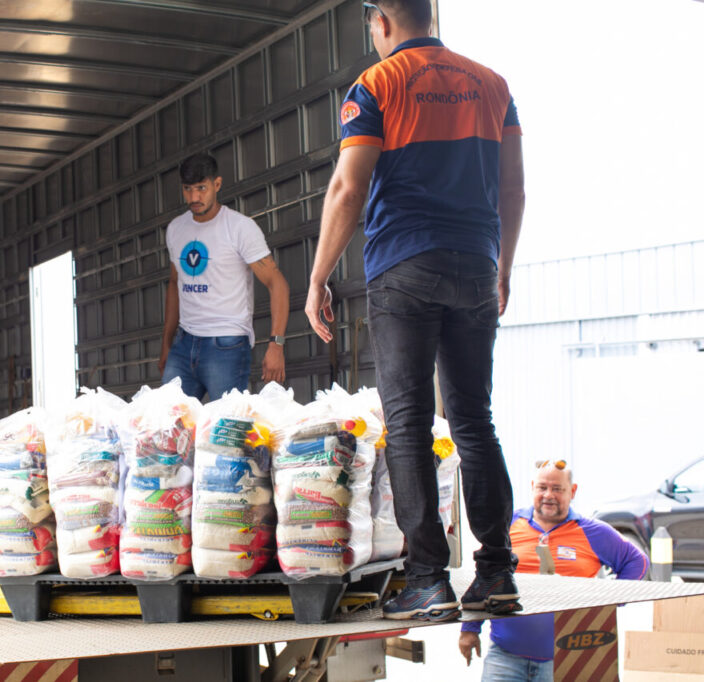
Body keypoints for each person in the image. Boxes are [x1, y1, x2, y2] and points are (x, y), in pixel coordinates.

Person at [304, 0, 526, 622]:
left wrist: (318, 277)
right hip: (476, 264)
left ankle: (428, 580)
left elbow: (349, 187)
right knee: (474, 420)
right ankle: (497, 571)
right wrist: (502, 266)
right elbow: (513, 188)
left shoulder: (377, 84)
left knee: (407, 423)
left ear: (381, 21)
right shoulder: (494, 85)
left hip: (405, 266)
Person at [459, 460, 649, 680]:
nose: (548, 495)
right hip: (505, 657)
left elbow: (637, 561)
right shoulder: (507, 525)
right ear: (533, 487)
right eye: (542, 487)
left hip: (568, 658)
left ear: (572, 491)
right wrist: (470, 628)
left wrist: (610, 600)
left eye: (557, 489)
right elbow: (485, 576)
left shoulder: (593, 532)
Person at [159, 152, 290, 400]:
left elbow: (277, 283)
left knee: (226, 423)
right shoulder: (176, 229)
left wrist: (276, 344)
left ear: (217, 184)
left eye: (201, 188)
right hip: (184, 343)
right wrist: (166, 344)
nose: (194, 197)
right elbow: (175, 284)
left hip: (227, 344)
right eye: (188, 189)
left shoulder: (239, 228)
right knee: (168, 420)